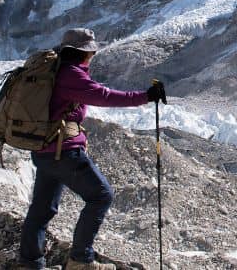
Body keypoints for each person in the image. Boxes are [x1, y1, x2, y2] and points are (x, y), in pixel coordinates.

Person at [18, 28, 166, 270]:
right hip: (63, 151)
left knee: (43, 208)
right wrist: (146, 96)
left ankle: (30, 263)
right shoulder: (71, 76)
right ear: (84, 53)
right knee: (101, 195)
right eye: (91, 52)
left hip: (43, 150)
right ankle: (80, 260)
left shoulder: (55, 72)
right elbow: (104, 96)